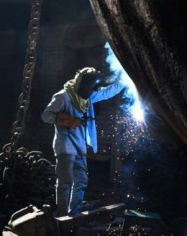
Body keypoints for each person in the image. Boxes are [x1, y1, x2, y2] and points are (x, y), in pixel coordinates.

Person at [41, 66, 125, 216]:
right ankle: (61, 215)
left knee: (80, 180)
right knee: (65, 182)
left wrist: (125, 81)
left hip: (80, 147)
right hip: (65, 146)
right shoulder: (63, 96)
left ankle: (74, 213)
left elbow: (106, 92)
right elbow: (46, 115)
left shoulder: (88, 97)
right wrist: (66, 120)